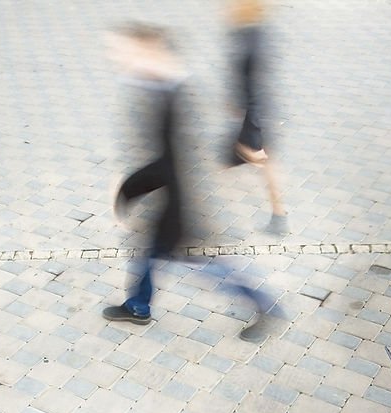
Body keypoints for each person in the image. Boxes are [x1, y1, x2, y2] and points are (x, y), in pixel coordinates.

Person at [101, 24, 273, 341]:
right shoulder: (155, 88)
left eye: (124, 49)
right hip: (169, 198)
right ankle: (138, 306)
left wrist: (127, 191)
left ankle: (263, 303)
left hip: (182, 204)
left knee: (203, 263)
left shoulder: (177, 93)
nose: (116, 56)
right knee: (147, 253)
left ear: (150, 51)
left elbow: (177, 161)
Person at [223, 0, 287, 233]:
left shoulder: (250, 39)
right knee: (265, 163)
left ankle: (215, 223)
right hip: (258, 114)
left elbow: (253, 87)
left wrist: (253, 135)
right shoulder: (254, 33)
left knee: (219, 164)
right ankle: (279, 216)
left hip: (252, 119)